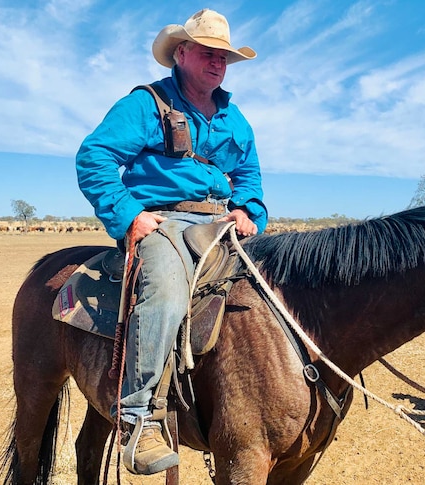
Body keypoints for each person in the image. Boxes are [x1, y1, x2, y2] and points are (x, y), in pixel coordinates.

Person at [75, 8, 266, 476]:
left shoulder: (233, 117)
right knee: (164, 291)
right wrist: (129, 217)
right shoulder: (146, 104)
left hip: (222, 223)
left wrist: (249, 210)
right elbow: (94, 156)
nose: (217, 62)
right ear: (181, 54)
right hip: (165, 222)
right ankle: (138, 418)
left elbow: (248, 175)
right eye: (207, 52)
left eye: (223, 55)